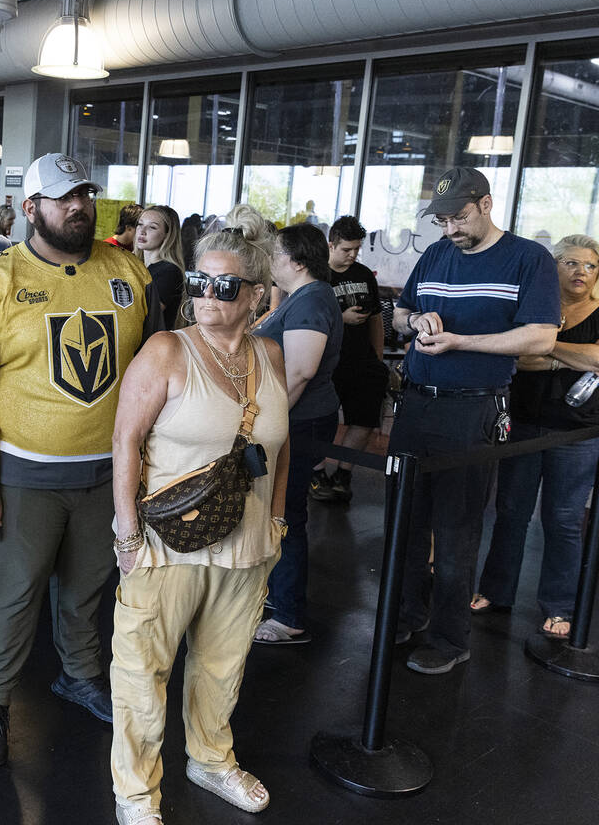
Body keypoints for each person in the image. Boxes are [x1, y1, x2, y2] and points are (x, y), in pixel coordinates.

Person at [0, 153, 162, 768]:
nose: (79, 207)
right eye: (64, 197)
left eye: (86, 195)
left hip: (109, 472)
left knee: (89, 587)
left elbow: (156, 370)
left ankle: (79, 674)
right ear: (31, 208)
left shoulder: (128, 273)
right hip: (25, 475)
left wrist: (149, 464)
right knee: (14, 593)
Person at [110, 226, 287, 824]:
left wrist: (279, 522)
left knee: (223, 662)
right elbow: (125, 442)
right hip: (168, 545)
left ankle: (210, 759)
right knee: (143, 670)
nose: (208, 294)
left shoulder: (271, 355)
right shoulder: (166, 350)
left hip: (248, 543)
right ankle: (136, 794)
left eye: (224, 284)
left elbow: (280, 450)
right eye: (199, 281)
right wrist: (128, 535)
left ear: (258, 295)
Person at [391, 167, 559, 675]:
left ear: (486, 204)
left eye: (458, 218)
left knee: (457, 528)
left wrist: (462, 341)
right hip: (417, 401)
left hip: (474, 406)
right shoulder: (438, 252)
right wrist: (417, 320)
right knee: (406, 520)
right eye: (441, 220)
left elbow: (540, 339)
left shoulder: (529, 258)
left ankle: (449, 637)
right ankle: (406, 613)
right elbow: (399, 313)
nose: (450, 230)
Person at [473, 234, 599, 639]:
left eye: (591, 266)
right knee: (510, 512)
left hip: (578, 433)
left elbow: (597, 359)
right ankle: (495, 591)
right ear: (554, 266)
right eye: (573, 263)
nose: (582, 272)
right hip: (524, 424)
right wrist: (569, 357)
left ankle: (561, 606)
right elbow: (515, 356)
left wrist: (547, 349)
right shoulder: (536, 305)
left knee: (563, 520)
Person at [251, 223, 343, 645]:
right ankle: (277, 601)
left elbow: (301, 371)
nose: (270, 260)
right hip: (293, 419)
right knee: (277, 512)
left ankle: (289, 615)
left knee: (286, 515)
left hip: (298, 422)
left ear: (298, 261)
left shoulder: (312, 300)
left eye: (275, 253)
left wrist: (263, 424)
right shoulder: (301, 297)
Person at [311, 215, 388, 503]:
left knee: (364, 419)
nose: (353, 255)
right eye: (346, 249)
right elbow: (309, 320)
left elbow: (376, 321)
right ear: (331, 245)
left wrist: (378, 360)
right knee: (321, 421)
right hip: (327, 362)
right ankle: (317, 472)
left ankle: (344, 473)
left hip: (362, 361)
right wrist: (340, 319)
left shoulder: (364, 274)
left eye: (357, 249)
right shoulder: (318, 276)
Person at [134, 204, 186, 328]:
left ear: (167, 235)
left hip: (153, 344)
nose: (142, 231)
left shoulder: (169, 272)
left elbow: (141, 315)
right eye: (140, 224)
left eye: (152, 227)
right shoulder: (136, 265)